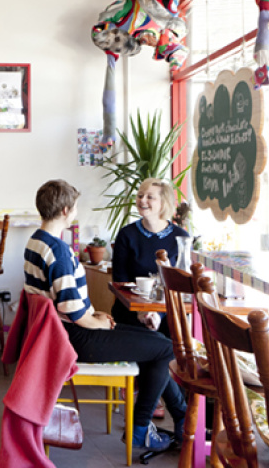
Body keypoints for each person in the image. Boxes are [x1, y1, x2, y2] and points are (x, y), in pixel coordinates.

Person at [23, 179, 185, 452]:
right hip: (76, 337)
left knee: (157, 343)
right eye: (75, 207)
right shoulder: (58, 251)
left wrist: (93, 313)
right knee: (164, 348)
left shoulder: (36, 242)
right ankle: (141, 428)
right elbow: (72, 311)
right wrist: (95, 320)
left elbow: (65, 302)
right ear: (65, 211)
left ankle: (155, 424)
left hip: (62, 332)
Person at [111, 178, 190, 334]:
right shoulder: (126, 235)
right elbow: (120, 282)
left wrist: (158, 314)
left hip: (169, 313)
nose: (142, 200)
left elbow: (182, 286)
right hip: (131, 313)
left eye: (150, 197)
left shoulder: (181, 238)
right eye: (140, 195)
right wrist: (142, 311)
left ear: (163, 203)